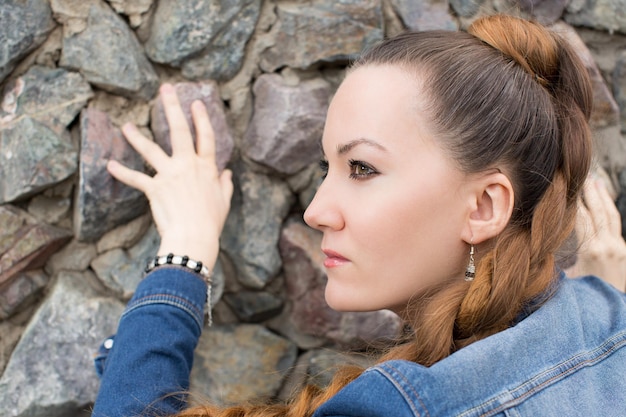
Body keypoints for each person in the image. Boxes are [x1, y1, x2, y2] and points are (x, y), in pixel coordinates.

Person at [92, 14, 626, 417]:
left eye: (363, 167)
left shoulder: (401, 405)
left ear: (484, 207)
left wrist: (182, 256)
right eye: (329, 167)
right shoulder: (608, 319)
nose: (317, 210)